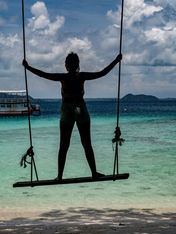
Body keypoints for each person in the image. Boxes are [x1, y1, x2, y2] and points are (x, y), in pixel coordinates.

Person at [22, 52, 122, 181]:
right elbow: (102, 73)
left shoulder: (63, 77)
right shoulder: (81, 76)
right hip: (79, 109)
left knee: (64, 145)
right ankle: (94, 173)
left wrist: (28, 67)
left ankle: (60, 176)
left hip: (68, 110)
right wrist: (116, 60)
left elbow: (44, 74)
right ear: (78, 65)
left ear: (66, 66)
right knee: (87, 144)